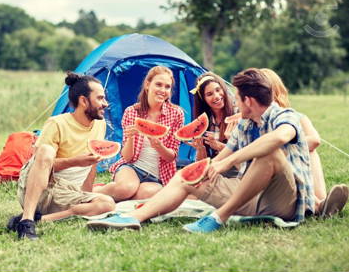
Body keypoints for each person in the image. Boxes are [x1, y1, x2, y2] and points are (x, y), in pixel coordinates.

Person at [87, 68, 348, 233]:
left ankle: (219, 217)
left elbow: (279, 138)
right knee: (190, 173)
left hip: (283, 202)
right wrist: (208, 167)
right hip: (250, 197)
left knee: (270, 153)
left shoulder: (284, 117)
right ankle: (133, 218)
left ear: (248, 100)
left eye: (236, 96)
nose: (232, 100)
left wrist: (225, 162)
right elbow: (222, 158)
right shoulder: (245, 126)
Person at [7, 71, 115, 240]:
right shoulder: (57, 123)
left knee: (107, 203)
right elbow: (39, 163)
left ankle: (40, 220)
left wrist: (85, 196)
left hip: (65, 194)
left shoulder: (99, 126)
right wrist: (75, 162)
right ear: (84, 101)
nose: (105, 104)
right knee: (46, 150)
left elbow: (92, 165)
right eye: (100, 98)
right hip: (39, 190)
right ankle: (27, 220)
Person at [261, 68, 348, 216]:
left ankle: (320, 202)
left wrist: (286, 146)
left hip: (296, 166)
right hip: (275, 180)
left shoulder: (296, 116)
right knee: (281, 155)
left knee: (310, 151)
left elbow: (315, 140)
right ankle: (319, 206)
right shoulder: (255, 122)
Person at [93, 66, 184, 201]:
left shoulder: (176, 113)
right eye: (158, 84)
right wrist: (130, 137)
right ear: (147, 85)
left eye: (167, 87)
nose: (162, 90)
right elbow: (128, 157)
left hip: (158, 176)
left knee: (145, 194)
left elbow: (171, 157)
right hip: (132, 167)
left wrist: (159, 146)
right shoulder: (132, 112)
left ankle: (116, 193)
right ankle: (95, 191)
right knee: (126, 188)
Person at [188, 72, 238, 178]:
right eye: (209, 94)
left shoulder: (237, 114)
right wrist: (200, 149)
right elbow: (203, 163)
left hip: (236, 175)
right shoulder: (206, 121)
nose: (216, 96)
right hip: (214, 173)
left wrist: (218, 146)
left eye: (218, 90)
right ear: (203, 99)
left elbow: (245, 155)